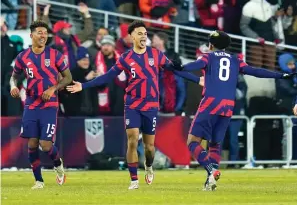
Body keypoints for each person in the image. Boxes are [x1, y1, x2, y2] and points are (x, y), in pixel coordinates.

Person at [67, 20, 201, 190]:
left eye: (145, 34)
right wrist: (83, 85)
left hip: (151, 105)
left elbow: (176, 70)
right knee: (131, 140)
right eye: (140, 33)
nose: (143, 36)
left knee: (149, 147)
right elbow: (107, 76)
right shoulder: (126, 57)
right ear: (131, 37)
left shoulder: (156, 54)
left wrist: (198, 80)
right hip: (132, 105)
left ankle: (149, 166)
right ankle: (134, 179)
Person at [173, 30, 294, 191]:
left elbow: (191, 67)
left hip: (210, 103)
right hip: (228, 106)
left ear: (211, 45)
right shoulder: (236, 60)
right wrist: (280, 75)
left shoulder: (207, 57)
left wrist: (180, 66)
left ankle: (211, 170)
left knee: (193, 141)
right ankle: (211, 182)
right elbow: (256, 71)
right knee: (215, 144)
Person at [9, 20, 72, 189]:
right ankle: (39, 181)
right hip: (31, 104)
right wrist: (13, 86)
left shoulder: (55, 55)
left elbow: (68, 78)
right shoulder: (23, 57)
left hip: (49, 105)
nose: (43, 35)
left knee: (45, 145)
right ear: (31, 35)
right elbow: (14, 76)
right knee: (31, 143)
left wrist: (53, 89)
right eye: (39, 32)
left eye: (45, 32)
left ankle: (58, 165)